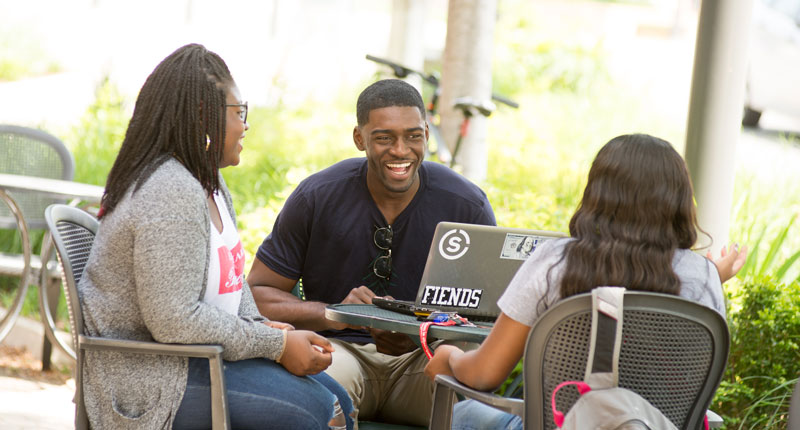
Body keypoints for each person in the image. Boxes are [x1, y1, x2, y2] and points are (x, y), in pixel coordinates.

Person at [79, 44, 353, 430]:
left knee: (339, 399)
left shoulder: (210, 182)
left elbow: (231, 281)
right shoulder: (170, 190)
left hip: (195, 358)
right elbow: (175, 320)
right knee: (321, 411)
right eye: (239, 113)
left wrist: (261, 326)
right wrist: (272, 346)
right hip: (150, 381)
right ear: (203, 117)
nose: (245, 126)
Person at [423, 133, 747, 430]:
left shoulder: (556, 262)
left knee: (464, 416)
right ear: (678, 201)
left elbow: (485, 375)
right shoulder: (703, 277)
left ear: (598, 195)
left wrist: (449, 357)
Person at [246, 79, 496, 426]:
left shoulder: (466, 204)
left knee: (476, 409)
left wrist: (421, 331)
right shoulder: (317, 196)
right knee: (317, 403)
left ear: (426, 132)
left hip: (425, 360)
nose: (400, 150)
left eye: (413, 135)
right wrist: (334, 313)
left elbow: (490, 317)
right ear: (359, 138)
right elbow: (256, 295)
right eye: (383, 137)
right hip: (339, 353)